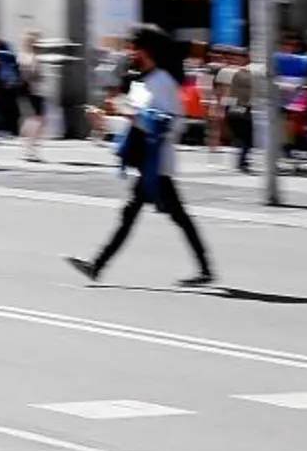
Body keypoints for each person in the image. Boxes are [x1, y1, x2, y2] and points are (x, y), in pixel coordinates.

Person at [67, 24, 214, 286]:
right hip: (148, 162)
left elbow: (173, 122)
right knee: (162, 216)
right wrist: (104, 122)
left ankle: (97, 266)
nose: (129, 52)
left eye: (133, 47)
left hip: (158, 164)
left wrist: (134, 115)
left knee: (158, 215)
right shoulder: (142, 82)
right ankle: (204, 268)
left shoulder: (163, 83)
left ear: (147, 51)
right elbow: (132, 123)